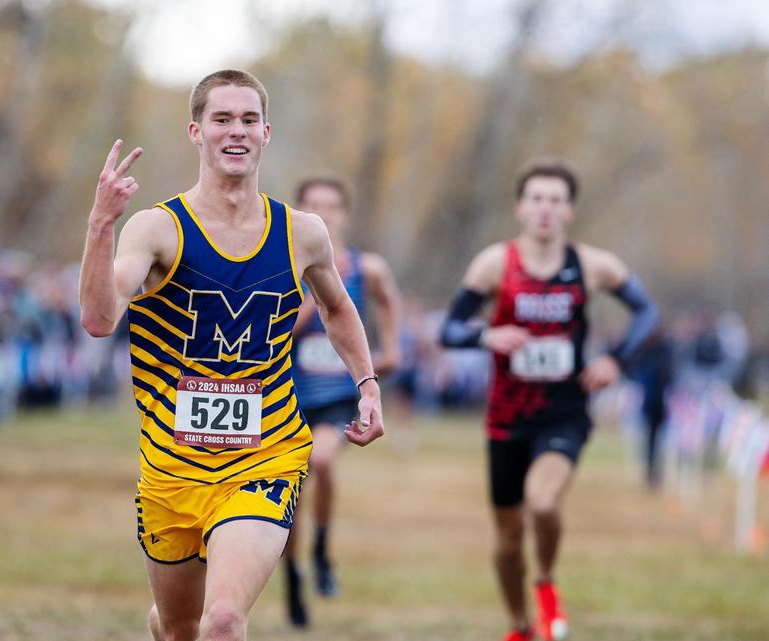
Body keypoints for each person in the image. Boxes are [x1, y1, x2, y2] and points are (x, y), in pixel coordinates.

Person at [78, 69, 385, 641]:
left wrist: (366, 384)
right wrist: (101, 225)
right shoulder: (156, 228)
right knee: (179, 628)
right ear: (196, 131)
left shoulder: (302, 232)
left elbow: (339, 307)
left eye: (248, 120)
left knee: (222, 621)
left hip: (265, 455)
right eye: (222, 119)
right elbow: (99, 319)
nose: (235, 131)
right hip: (171, 466)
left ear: (266, 132)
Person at [439, 158, 660, 641]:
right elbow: (449, 329)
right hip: (505, 417)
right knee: (507, 539)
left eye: (555, 200)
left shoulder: (593, 266)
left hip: (564, 411)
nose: (545, 209)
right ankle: (519, 625)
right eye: (537, 198)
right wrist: (486, 337)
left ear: (569, 212)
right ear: (521, 207)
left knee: (542, 502)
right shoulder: (496, 264)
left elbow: (647, 312)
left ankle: (546, 580)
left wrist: (616, 360)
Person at [283, 177, 401, 627]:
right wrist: (309, 307)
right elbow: (275, 334)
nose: (324, 213)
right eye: (314, 205)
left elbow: (388, 300)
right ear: (298, 210)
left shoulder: (362, 268)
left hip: (336, 395)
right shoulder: (283, 266)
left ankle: (321, 549)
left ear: (345, 213)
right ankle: (293, 574)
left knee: (323, 460)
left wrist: (393, 349)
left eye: (331, 205)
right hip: (290, 393)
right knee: (289, 496)